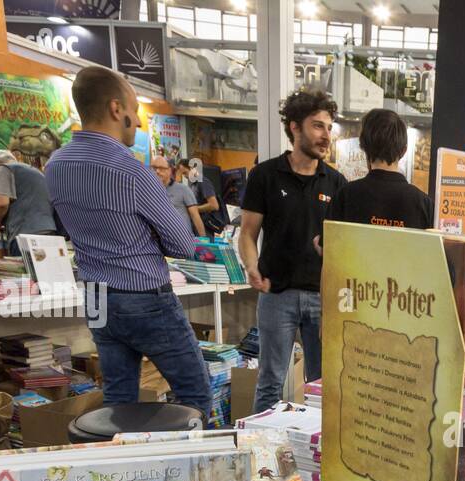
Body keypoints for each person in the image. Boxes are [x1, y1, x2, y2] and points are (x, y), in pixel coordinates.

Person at [45, 66, 212, 419]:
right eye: (134, 110)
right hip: (144, 297)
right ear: (115, 108)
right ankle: (196, 473)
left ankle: (122, 471)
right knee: (195, 397)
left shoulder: (56, 165)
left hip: (96, 295)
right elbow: (182, 244)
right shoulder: (130, 170)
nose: (137, 121)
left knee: (118, 402)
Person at [240, 88, 347, 413]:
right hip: (277, 296)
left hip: (322, 298)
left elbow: (343, 247)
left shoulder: (337, 183)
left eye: (329, 128)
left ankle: (317, 454)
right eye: (318, 126)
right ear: (295, 128)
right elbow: (247, 234)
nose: (325, 135)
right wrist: (251, 265)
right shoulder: (265, 176)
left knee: (321, 384)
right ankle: (260, 454)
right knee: (271, 379)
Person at [327, 108, 432, 229]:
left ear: (363, 146)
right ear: (404, 151)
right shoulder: (424, 204)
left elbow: (330, 245)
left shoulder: (344, 196)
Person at [0, 149, 57, 256]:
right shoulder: (36, 172)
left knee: (24, 272)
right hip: (49, 231)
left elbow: (2, 202)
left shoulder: (3, 169)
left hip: (24, 233)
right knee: (44, 272)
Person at [152, 155, 203, 236]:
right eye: (154, 168)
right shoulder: (149, 192)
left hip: (184, 240)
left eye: (161, 168)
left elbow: (195, 216)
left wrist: (204, 242)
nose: (157, 171)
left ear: (169, 171)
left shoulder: (183, 189)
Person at [182, 158, 226, 235]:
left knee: (204, 247)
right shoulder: (193, 185)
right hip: (197, 227)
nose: (185, 176)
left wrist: (194, 209)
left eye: (185, 173)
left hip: (205, 228)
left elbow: (214, 205)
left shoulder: (203, 182)